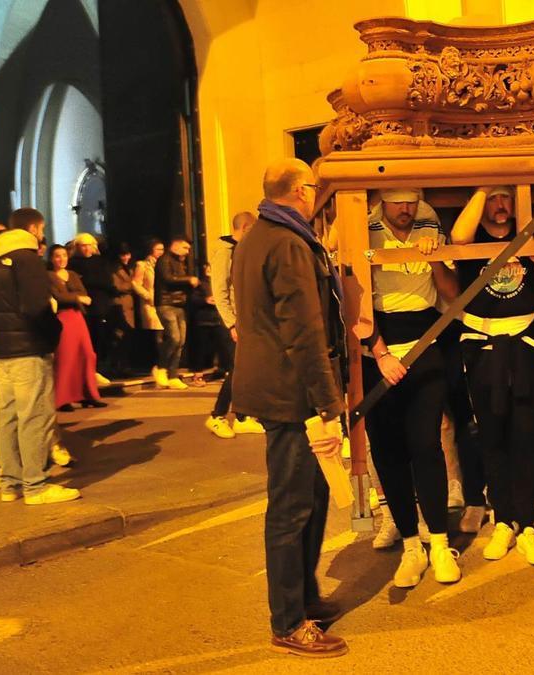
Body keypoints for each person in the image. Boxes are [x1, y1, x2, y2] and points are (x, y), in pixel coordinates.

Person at [232, 158, 348, 658]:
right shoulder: (287, 243)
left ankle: (304, 598)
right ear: (301, 190)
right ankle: (288, 621)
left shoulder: (260, 234)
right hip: (291, 393)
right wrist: (328, 402)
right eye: (314, 189)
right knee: (292, 507)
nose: (316, 196)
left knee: (310, 499)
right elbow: (305, 332)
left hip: (278, 387)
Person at [451, 185, 534, 566]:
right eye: (494, 199)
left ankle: (527, 525)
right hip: (483, 347)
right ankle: (502, 520)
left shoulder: (528, 235)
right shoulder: (473, 238)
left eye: (505, 198)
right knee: (492, 436)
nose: (501, 206)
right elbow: (459, 236)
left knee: (526, 435)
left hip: (525, 345)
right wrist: (484, 185)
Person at [361, 187, 462, 587]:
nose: (405, 208)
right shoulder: (362, 226)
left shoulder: (429, 219)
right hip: (376, 349)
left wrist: (435, 256)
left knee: (426, 444)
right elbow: (350, 296)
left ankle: (439, 542)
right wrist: (380, 352)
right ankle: (410, 545)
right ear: (382, 201)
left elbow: (451, 293)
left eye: (411, 200)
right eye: (396, 200)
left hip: (426, 340)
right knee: (388, 451)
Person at [0, 208, 81, 505]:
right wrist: (54, 333)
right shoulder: (26, 258)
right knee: (34, 416)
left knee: (8, 416)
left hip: (3, 351)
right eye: (41, 229)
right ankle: (36, 485)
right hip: (29, 348)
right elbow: (37, 306)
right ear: (35, 228)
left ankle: (10, 483)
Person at [206, 211, 266, 439]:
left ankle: (242, 417)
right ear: (245, 228)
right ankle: (217, 416)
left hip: (243, 320)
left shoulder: (240, 250)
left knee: (244, 369)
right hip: (232, 322)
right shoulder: (225, 252)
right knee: (237, 370)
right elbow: (220, 291)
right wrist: (231, 324)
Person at [47, 245, 105, 411]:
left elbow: (85, 294)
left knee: (87, 354)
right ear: (51, 259)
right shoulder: (48, 276)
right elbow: (59, 297)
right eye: (57, 256)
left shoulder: (72, 274)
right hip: (63, 317)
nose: (61, 259)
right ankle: (63, 399)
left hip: (77, 317)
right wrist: (78, 298)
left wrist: (77, 298)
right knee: (66, 356)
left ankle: (89, 395)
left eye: (64, 255)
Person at [67, 233, 114, 385]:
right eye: (83, 245)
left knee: (99, 337)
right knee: (85, 339)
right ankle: (85, 371)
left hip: (100, 305)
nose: (86, 248)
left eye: (89, 245)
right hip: (83, 306)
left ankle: (97, 369)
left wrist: (89, 282)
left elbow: (107, 282)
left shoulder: (101, 261)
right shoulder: (72, 263)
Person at [155, 236, 199, 390]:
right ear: (175, 245)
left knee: (180, 341)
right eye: (185, 248)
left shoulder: (180, 262)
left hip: (180, 304)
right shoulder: (164, 260)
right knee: (174, 338)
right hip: (166, 303)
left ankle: (173, 374)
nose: (187, 252)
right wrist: (189, 279)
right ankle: (161, 368)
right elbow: (168, 278)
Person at [132, 238, 166, 385]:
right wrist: (147, 295)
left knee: (165, 334)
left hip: (163, 302)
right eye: (158, 249)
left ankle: (161, 366)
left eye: (162, 249)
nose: (161, 252)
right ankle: (155, 365)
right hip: (150, 304)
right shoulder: (143, 265)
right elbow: (135, 283)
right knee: (156, 335)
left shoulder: (164, 264)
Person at [109, 243, 136, 378]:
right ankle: (119, 367)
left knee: (127, 337)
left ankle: (124, 366)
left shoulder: (130, 268)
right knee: (121, 337)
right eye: (123, 255)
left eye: (127, 254)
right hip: (119, 305)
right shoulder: (114, 269)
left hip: (128, 306)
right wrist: (133, 285)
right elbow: (116, 287)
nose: (126, 257)